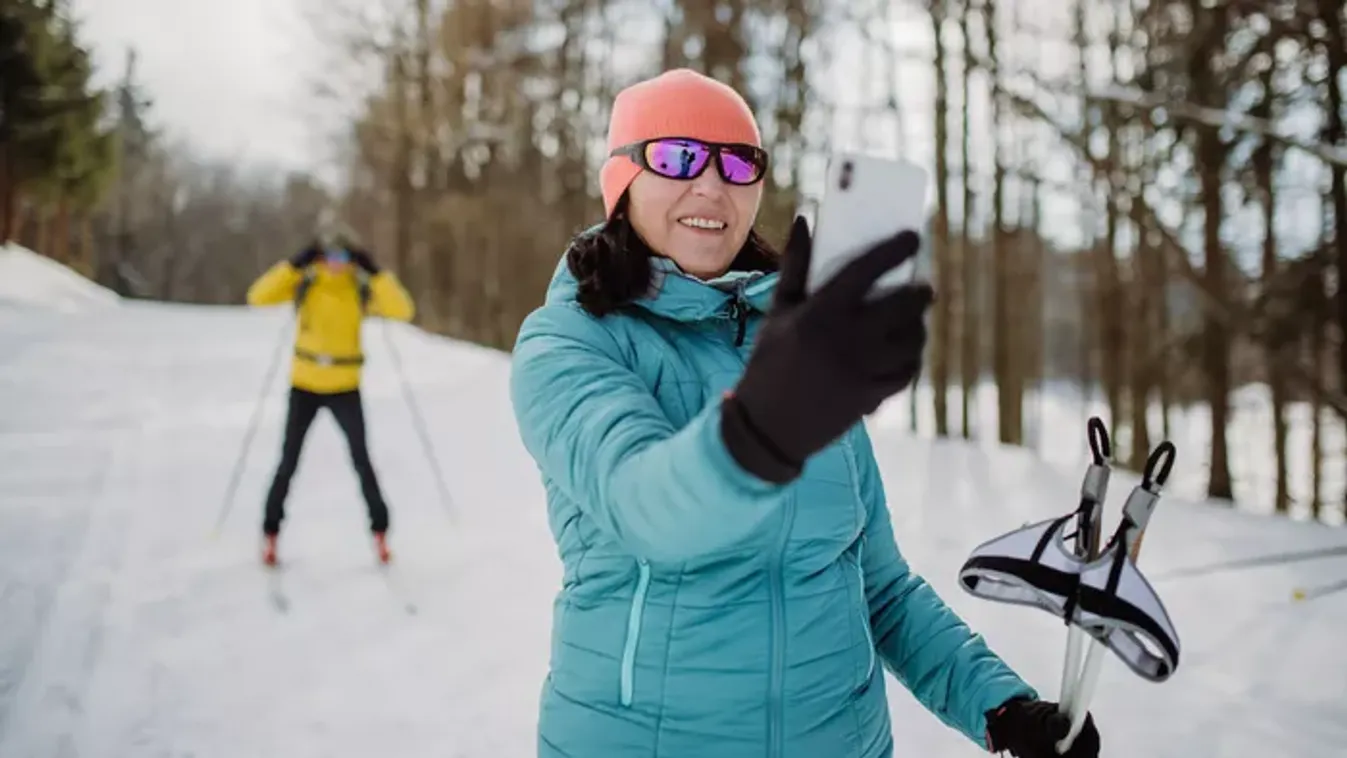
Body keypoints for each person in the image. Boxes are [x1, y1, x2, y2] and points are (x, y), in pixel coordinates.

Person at [509, 68, 1101, 758]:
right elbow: (646, 507)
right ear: (621, 180)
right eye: (675, 157)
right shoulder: (570, 340)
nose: (711, 185)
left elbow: (875, 584)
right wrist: (764, 422)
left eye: (738, 161)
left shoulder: (798, 348)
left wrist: (1001, 708)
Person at [245, 231, 415, 566]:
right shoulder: (307, 283)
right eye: (329, 257)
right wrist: (293, 266)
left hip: (345, 388)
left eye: (343, 259)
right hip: (305, 385)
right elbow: (257, 297)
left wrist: (376, 273)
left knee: (362, 462)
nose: (336, 265)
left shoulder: (358, 288)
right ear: (319, 258)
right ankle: (270, 532)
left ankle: (380, 532)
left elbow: (402, 310)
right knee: (288, 462)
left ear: (352, 261)